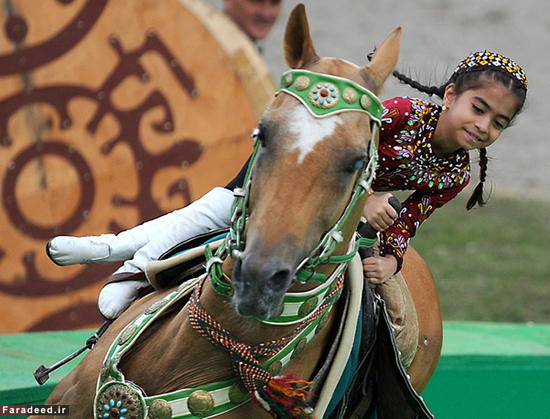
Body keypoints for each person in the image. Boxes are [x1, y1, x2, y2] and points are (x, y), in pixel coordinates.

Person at [47, 51, 528, 363]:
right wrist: (367, 197)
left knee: (396, 319)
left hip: (343, 234)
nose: (484, 126)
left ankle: (365, 386)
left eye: (498, 122)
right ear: (449, 97)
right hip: (300, 190)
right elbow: (334, 144)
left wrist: (392, 256)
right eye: (478, 108)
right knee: (210, 215)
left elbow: (412, 218)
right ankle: (121, 259)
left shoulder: (455, 175)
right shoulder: (399, 113)